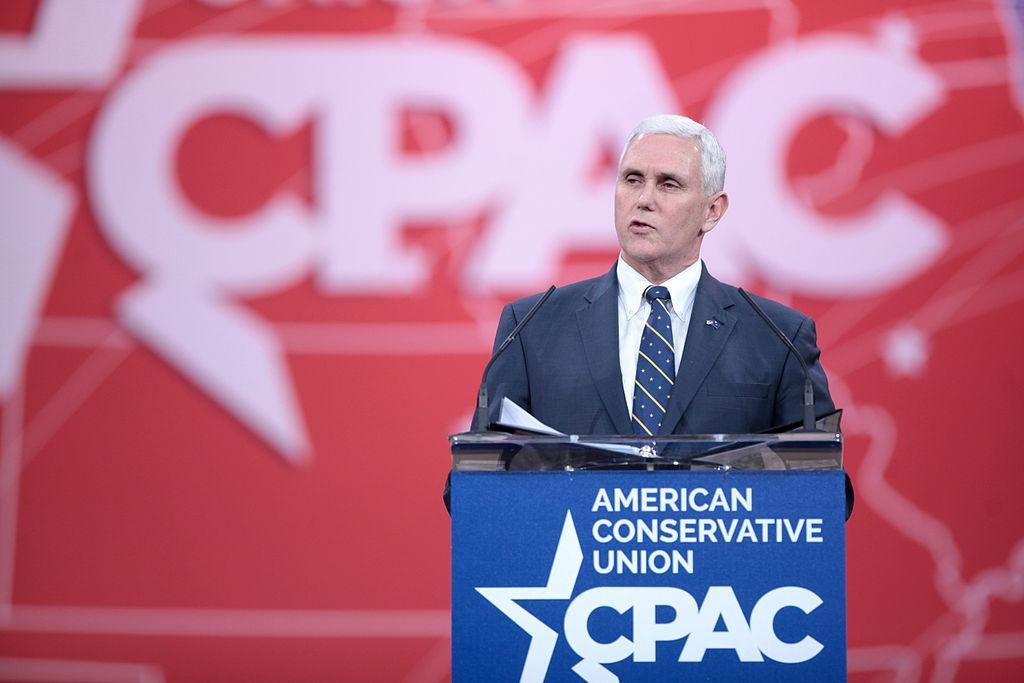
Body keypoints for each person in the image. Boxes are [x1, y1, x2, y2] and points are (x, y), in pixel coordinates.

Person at [474, 114, 834, 436]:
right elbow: (479, 482)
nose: (644, 199)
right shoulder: (532, 328)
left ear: (712, 210)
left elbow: (819, 491)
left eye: (668, 184)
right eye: (632, 179)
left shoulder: (777, 338)